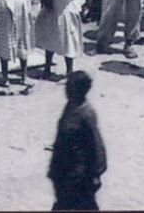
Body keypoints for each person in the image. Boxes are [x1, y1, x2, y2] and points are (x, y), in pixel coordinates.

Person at [47, 70, 107, 210]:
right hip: (64, 171)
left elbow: (96, 145)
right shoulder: (70, 106)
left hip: (78, 175)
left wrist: (96, 174)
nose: (66, 90)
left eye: (69, 86)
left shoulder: (86, 114)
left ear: (79, 90)